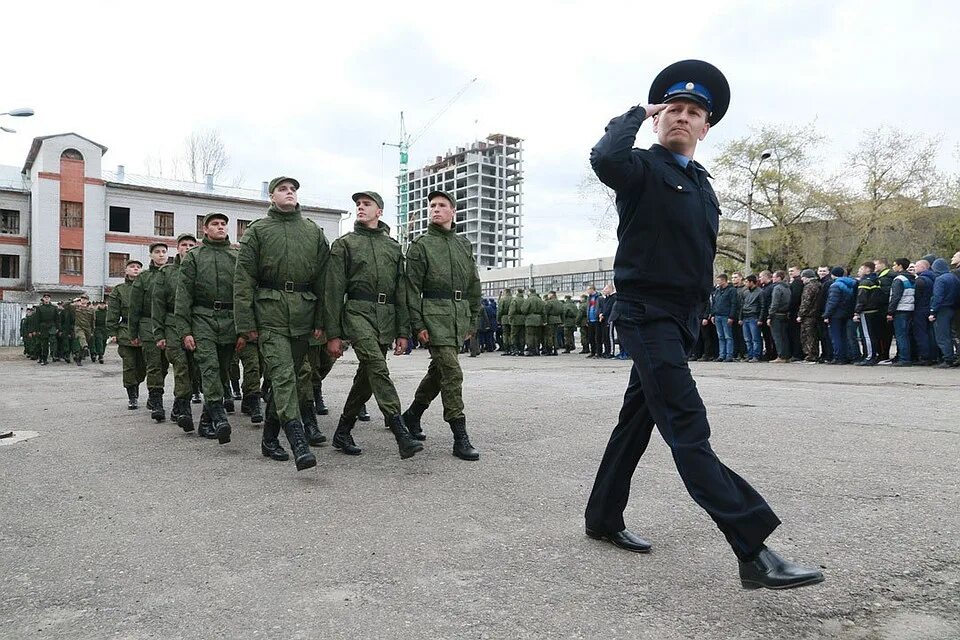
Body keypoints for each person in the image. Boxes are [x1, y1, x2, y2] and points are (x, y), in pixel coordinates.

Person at [584, 59, 822, 589]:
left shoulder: (703, 185)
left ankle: (601, 517)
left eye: (693, 112)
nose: (682, 118)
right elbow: (604, 157)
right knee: (688, 428)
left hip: (683, 319)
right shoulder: (641, 168)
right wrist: (635, 113)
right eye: (672, 109)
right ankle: (754, 549)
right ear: (657, 118)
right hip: (646, 315)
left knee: (635, 423)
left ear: (705, 126)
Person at [234, 176, 327, 471]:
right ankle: (297, 440)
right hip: (270, 313)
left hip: (303, 312)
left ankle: (269, 439)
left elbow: (325, 280)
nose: (289, 193)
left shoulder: (313, 231)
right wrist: (245, 322)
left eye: (293, 189)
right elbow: (244, 278)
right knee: (285, 375)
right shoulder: (258, 231)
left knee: (286, 378)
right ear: (271, 196)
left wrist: (323, 320)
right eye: (283, 189)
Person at [323, 190, 422, 459]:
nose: (360, 208)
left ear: (379, 211)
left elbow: (400, 291)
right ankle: (400, 430)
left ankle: (343, 430)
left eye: (367, 204)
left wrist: (403, 331)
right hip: (357, 312)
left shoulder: (392, 247)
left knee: (366, 376)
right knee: (378, 368)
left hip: (386, 316)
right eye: (357, 204)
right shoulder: (345, 244)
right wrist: (333, 333)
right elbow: (333, 291)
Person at [401, 190, 481, 461]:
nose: (435, 209)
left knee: (439, 372)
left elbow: (473, 284)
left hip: (458, 317)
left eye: (441, 205)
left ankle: (412, 416)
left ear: (452, 212)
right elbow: (410, 289)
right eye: (432, 206)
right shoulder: (421, 245)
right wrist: (417, 323)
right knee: (452, 372)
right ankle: (460, 436)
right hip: (433, 315)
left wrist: (473, 319)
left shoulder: (464, 245)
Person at [176, 214, 246, 444]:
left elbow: (244, 293)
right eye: (215, 224)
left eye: (223, 224)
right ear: (205, 229)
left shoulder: (236, 256)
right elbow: (183, 295)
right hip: (202, 319)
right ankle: (219, 418)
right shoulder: (195, 257)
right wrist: (185, 330)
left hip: (230, 320)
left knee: (223, 371)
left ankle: (205, 423)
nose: (220, 227)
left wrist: (243, 329)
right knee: (209, 367)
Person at [153, 232, 203, 432]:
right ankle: (184, 410)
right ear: (178, 248)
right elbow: (157, 304)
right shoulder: (166, 273)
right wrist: (159, 333)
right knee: (181, 364)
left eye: (192, 244)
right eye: (184, 244)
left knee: (194, 368)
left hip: (196, 324)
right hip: (172, 324)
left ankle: (177, 406)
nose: (188, 247)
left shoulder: (200, 270)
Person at [130, 242, 172, 422]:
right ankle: (157, 401)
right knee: (154, 362)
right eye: (157, 252)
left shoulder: (173, 274)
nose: (161, 255)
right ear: (151, 256)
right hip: (147, 323)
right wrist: (133, 333)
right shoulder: (144, 278)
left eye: (164, 252)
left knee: (164, 364)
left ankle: (155, 393)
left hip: (168, 322)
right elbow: (134, 307)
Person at [107, 260, 146, 407]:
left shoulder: (147, 287)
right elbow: (113, 312)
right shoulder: (120, 289)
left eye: (138, 267)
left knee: (143, 367)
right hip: (126, 330)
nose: (135, 269)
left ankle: (136, 385)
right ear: (126, 271)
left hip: (145, 330)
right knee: (129, 366)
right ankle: (132, 396)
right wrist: (112, 331)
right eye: (132, 267)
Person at [929, 257, 958, 367]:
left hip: (942, 309)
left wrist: (933, 311)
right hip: (952, 308)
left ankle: (947, 359)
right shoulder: (953, 277)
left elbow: (938, 297)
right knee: (951, 334)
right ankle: (952, 356)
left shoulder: (940, 279)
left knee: (942, 335)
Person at [853, 261, 884, 366]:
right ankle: (871, 354)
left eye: (861, 269)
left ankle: (869, 356)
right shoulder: (876, 281)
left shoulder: (865, 283)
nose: (859, 271)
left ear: (867, 270)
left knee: (867, 336)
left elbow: (861, 299)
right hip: (875, 311)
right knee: (872, 335)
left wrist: (857, 311)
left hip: (866, 311)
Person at [822, 267, 855, 364]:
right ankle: (847, 355)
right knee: (844, 336)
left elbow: (832, 302)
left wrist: (826, 314)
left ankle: (839, 357)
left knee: (836, 336)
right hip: (847, 313)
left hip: (836, 314)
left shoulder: (835, 285)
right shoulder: (851, 284)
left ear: (833, 274)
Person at [886, 258, 915, 366]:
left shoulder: (899, 279)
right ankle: (905, 356)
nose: (893, 267)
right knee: (906, 334)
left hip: (900, 309)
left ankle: (904, 358)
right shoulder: (912, 278)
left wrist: (890, 312)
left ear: (900, 266)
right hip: (910, 308)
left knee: (900, 335)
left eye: (894, 265)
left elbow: (895, 297)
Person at [912, 260, 937, 365]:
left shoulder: (920, 280)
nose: (915, 268)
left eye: (916, 266)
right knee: (930, 333)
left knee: (921, 333)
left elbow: (916, 297)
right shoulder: (933, 279)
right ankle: (933, 356)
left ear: (923, 267)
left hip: (920, 309)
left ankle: (924, 357)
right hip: (929, 308)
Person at [710, 274, 737, 362]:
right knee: (720, 336)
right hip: (717, 315)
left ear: (724, 280)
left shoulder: (731, 290)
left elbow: (734, 304)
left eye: (719, 280)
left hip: (726, 316)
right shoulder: (717, 291)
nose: (717, 282)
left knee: (728, 336)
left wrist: (731, 316)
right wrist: (713, 315)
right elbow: (714, 303)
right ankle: (721, 355)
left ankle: (729, 355)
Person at [797, 269, 821, 362]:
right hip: (816, 314)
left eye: (803, 278)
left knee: (807, 336)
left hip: (808, 315)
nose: (802, 280)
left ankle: (810, 355)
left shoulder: (809, 287)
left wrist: (800, 314)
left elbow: (806, 302)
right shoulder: (818, 285)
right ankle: (814, 354)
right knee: (814, 336)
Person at [738, 275, 762, 362]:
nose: (745, 284)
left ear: (752, 282)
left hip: (754, 317)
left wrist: (760, 319)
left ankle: (756, 355)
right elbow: (742, 305)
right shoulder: (745, 292)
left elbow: (762, 306)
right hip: (745, 317)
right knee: (747, 339)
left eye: (747, 282)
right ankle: (750, 355)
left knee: (755, 338)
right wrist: (740, 318)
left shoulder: (760, 292)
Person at [33, 294, 58, 365]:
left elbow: (57, 319)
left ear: (50, 299)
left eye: (48, 298)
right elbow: (37, 320)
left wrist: (58, 328)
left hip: (52, 326)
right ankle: (44, 359)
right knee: (44, 344)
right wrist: (37, 330)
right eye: (45, 298)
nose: (46, 299)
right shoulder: (39, 308)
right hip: (43, 327)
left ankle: (54, 355)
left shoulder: (54, 308)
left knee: (53, 341)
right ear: (43, 299)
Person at [757, 270, 777, 361]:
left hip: (768, 315)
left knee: (771, 336)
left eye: (761, 277)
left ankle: (772, 353)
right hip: (764, 315)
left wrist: (769, 315)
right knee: (766, 336)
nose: (759, 279)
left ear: (766, 277)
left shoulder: (771, 288)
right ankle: (768, 352)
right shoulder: (764, 287)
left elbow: (770, 303)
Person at [522, 288, 545, 357]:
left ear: (529, 292)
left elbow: (524, 310)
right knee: (537, 335)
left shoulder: (529, 300)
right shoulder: (540, 300)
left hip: (530, 319)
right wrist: (544, 320)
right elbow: (544, 311)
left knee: (530, 335)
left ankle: (531, 350)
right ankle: (537, 349)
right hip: (539, 319)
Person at [543, 291, 563, 356]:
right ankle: (555, 350)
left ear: (551, 295)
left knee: (549, 336)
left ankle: (549, 350)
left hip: (550, 320)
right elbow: (562, 312)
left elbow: (545, 312)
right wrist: (562, 321)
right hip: (557, 320)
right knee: (555, 335)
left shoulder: (549, 302)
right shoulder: (559, 303)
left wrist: (544, 321)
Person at [498, 289, 513, 354]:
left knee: (505, 334)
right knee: (511, 334)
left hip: (504, 318)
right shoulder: (513, 299)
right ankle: (512, 348)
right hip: (512, 319)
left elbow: (500, 310)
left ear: (505, 292)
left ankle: (506, 349)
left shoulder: (503, 300)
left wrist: (498, 319)